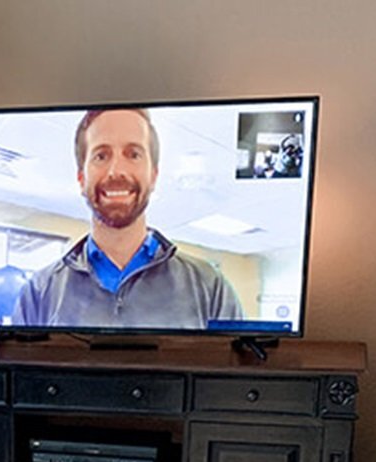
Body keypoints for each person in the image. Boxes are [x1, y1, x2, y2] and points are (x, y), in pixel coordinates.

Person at [13, 108, 243, 329]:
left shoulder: (211, 288)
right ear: (82, 179)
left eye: (133, 154)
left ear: (153, 176)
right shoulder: (39, 292)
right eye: (101, 155)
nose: (116, 171)